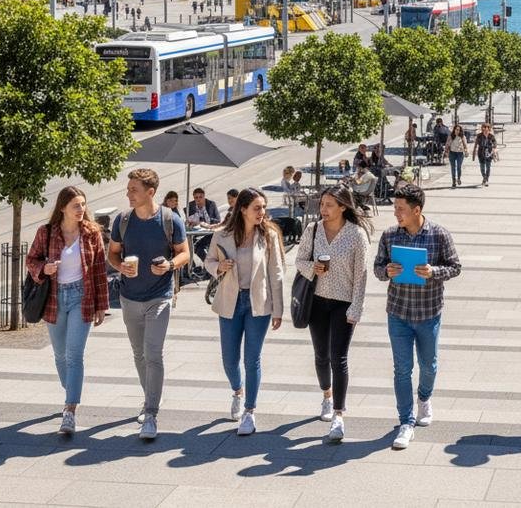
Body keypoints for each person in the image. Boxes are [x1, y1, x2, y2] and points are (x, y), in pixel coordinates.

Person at [373, 184, 462, 450]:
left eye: (400, 209)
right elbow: (377, 269)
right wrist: (386, 270)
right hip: (398, 312)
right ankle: (406, 422)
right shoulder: (390, 236)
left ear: (416, 210)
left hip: (428, 313)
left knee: (428, 365)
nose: (395, 213)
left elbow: (455, 267)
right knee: (401, 369)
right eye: (395, 208)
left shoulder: (438, 235)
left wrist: (433, 271)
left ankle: (424, 397)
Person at [108, 168, 190, 441]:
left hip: (159, 296)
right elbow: (112, 254)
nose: (128, 193)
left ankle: (151, 414)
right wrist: (121, 267)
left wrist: (169, 265)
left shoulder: (170, 219)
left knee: (153, 353)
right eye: (129, 188)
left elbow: (184, 254)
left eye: (134, 189)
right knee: (138, 354)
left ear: (150, 192)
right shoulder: (122, 220)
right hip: (129, 297)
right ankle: (149, 397)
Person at [26, 185, 109, 437]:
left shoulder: (92, 233)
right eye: (76, 206)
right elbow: (32, 260)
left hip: (81, 297)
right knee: (60, 355)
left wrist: (101, 306)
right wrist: (45, 269)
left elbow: (99, 271)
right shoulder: (47, 233)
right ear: (63, 208)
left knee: (74, 355)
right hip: (54, 298)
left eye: (83, 205)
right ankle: (70, 388)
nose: (81, 210)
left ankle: (70, 409)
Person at [204, 188, 285, 436]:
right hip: (230, 300)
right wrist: (219, 266)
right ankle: (238, 391)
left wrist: (278, 310)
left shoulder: (268, 235)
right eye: (257, 208)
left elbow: (277, 272)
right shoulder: (222, 235)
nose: (262, 212)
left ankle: (249, 411)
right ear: (243, 209)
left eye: (263, 207)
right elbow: (208, 262)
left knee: (252, 359)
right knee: (229, 359)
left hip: (257, 303)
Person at [295, 185, 372, 444]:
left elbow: (361, 275)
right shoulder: (312, 229)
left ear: (343, 206)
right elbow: (299, 261)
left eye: (329, 204)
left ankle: (339, 414)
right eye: (322, 204)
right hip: (316, 301)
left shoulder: (357, 234)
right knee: (321, 355)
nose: (323, 209)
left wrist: (356, 308)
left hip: (343, 304)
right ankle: (326, 396)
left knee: (338, 358)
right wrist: (312, 267)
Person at [471, 122, 497, 187]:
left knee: (488, 167)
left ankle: (486, 179)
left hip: (489, 153)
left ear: (489, 129)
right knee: (482, 167)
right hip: (481, 153)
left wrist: (494, 147)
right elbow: (476, 144)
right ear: (482, 128)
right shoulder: (479, 135)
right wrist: (474, 153)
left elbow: (495, 143)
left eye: (487, 128)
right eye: (484, 127)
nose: (485, 129)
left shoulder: (491, 136)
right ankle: (484, 177)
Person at [445, 124, 468, 188]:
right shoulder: (451, 136)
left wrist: (466, 151)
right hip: (452, 153)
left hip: (460, 153)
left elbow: (465, 145)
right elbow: (447, 144)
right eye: (456, 129)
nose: (457, 131)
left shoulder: (462, 136)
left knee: (458, 167)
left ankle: (459, 178)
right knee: (453, 167)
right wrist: (446, 152)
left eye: (459, 130)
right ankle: (453, 181)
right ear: (454, 130)